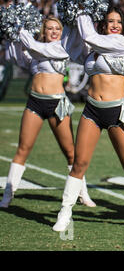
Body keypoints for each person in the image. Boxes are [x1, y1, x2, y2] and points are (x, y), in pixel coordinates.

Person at [52, 5, 124, 232]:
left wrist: (81, 7)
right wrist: (72, 22)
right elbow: (67, 47)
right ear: (103, 24)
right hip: (92, 110)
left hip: (116, 111)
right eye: (110, 21)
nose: (115, 25)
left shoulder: (122, 43)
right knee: (79, 163)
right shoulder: (91, 49)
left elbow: (90, 37)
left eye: (119, 22)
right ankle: (65, 212)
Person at [0, 16, 95, 208]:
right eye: (50, 28)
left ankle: (83, 194)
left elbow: (37, 47)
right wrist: (12, 36)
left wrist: (20, 30)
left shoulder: (62, 49)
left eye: (57, 29)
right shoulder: (34, 52)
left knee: (70, 152)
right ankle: (7, 195)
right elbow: (15, 57)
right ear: (43, 31)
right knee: (23, 149)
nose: (54, 32)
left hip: (56, 105)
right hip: (35, 103)